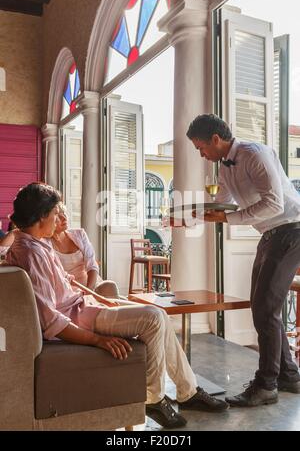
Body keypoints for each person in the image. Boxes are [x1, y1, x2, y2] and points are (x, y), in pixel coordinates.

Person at [6, 182, 228, 429]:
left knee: (159, 316)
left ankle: (188, 391)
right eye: (56, 214)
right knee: (154, 318)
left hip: (83, 307)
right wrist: (97, 340)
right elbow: (51, 320)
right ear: (42, 216)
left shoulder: (36, 244)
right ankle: (154, 398)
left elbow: (67, 282)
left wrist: (101, 299)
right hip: (77, 317)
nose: (60, 219)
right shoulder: (31, 252)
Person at [186, 113, 300, 407]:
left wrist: (229, 217)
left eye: (201, 148)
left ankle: (266, 385)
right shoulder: (224, 167)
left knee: (265, 307)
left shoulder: (254, 154)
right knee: (261, 305)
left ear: (216, 139)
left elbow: (273, 202)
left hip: (291, 230)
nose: (201, 154)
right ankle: (289, 375)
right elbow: (221, 203)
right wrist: (189, 217)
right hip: (270, 234)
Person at [50, 202, 120, 299]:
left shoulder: (79, 234)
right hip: (70, 293)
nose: (64, 218)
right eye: (58, 215)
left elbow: (92, 265)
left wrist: (89, 291)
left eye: (64, 213)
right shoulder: (46, 245)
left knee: (110, 287)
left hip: (92, 286)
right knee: (122, 304)